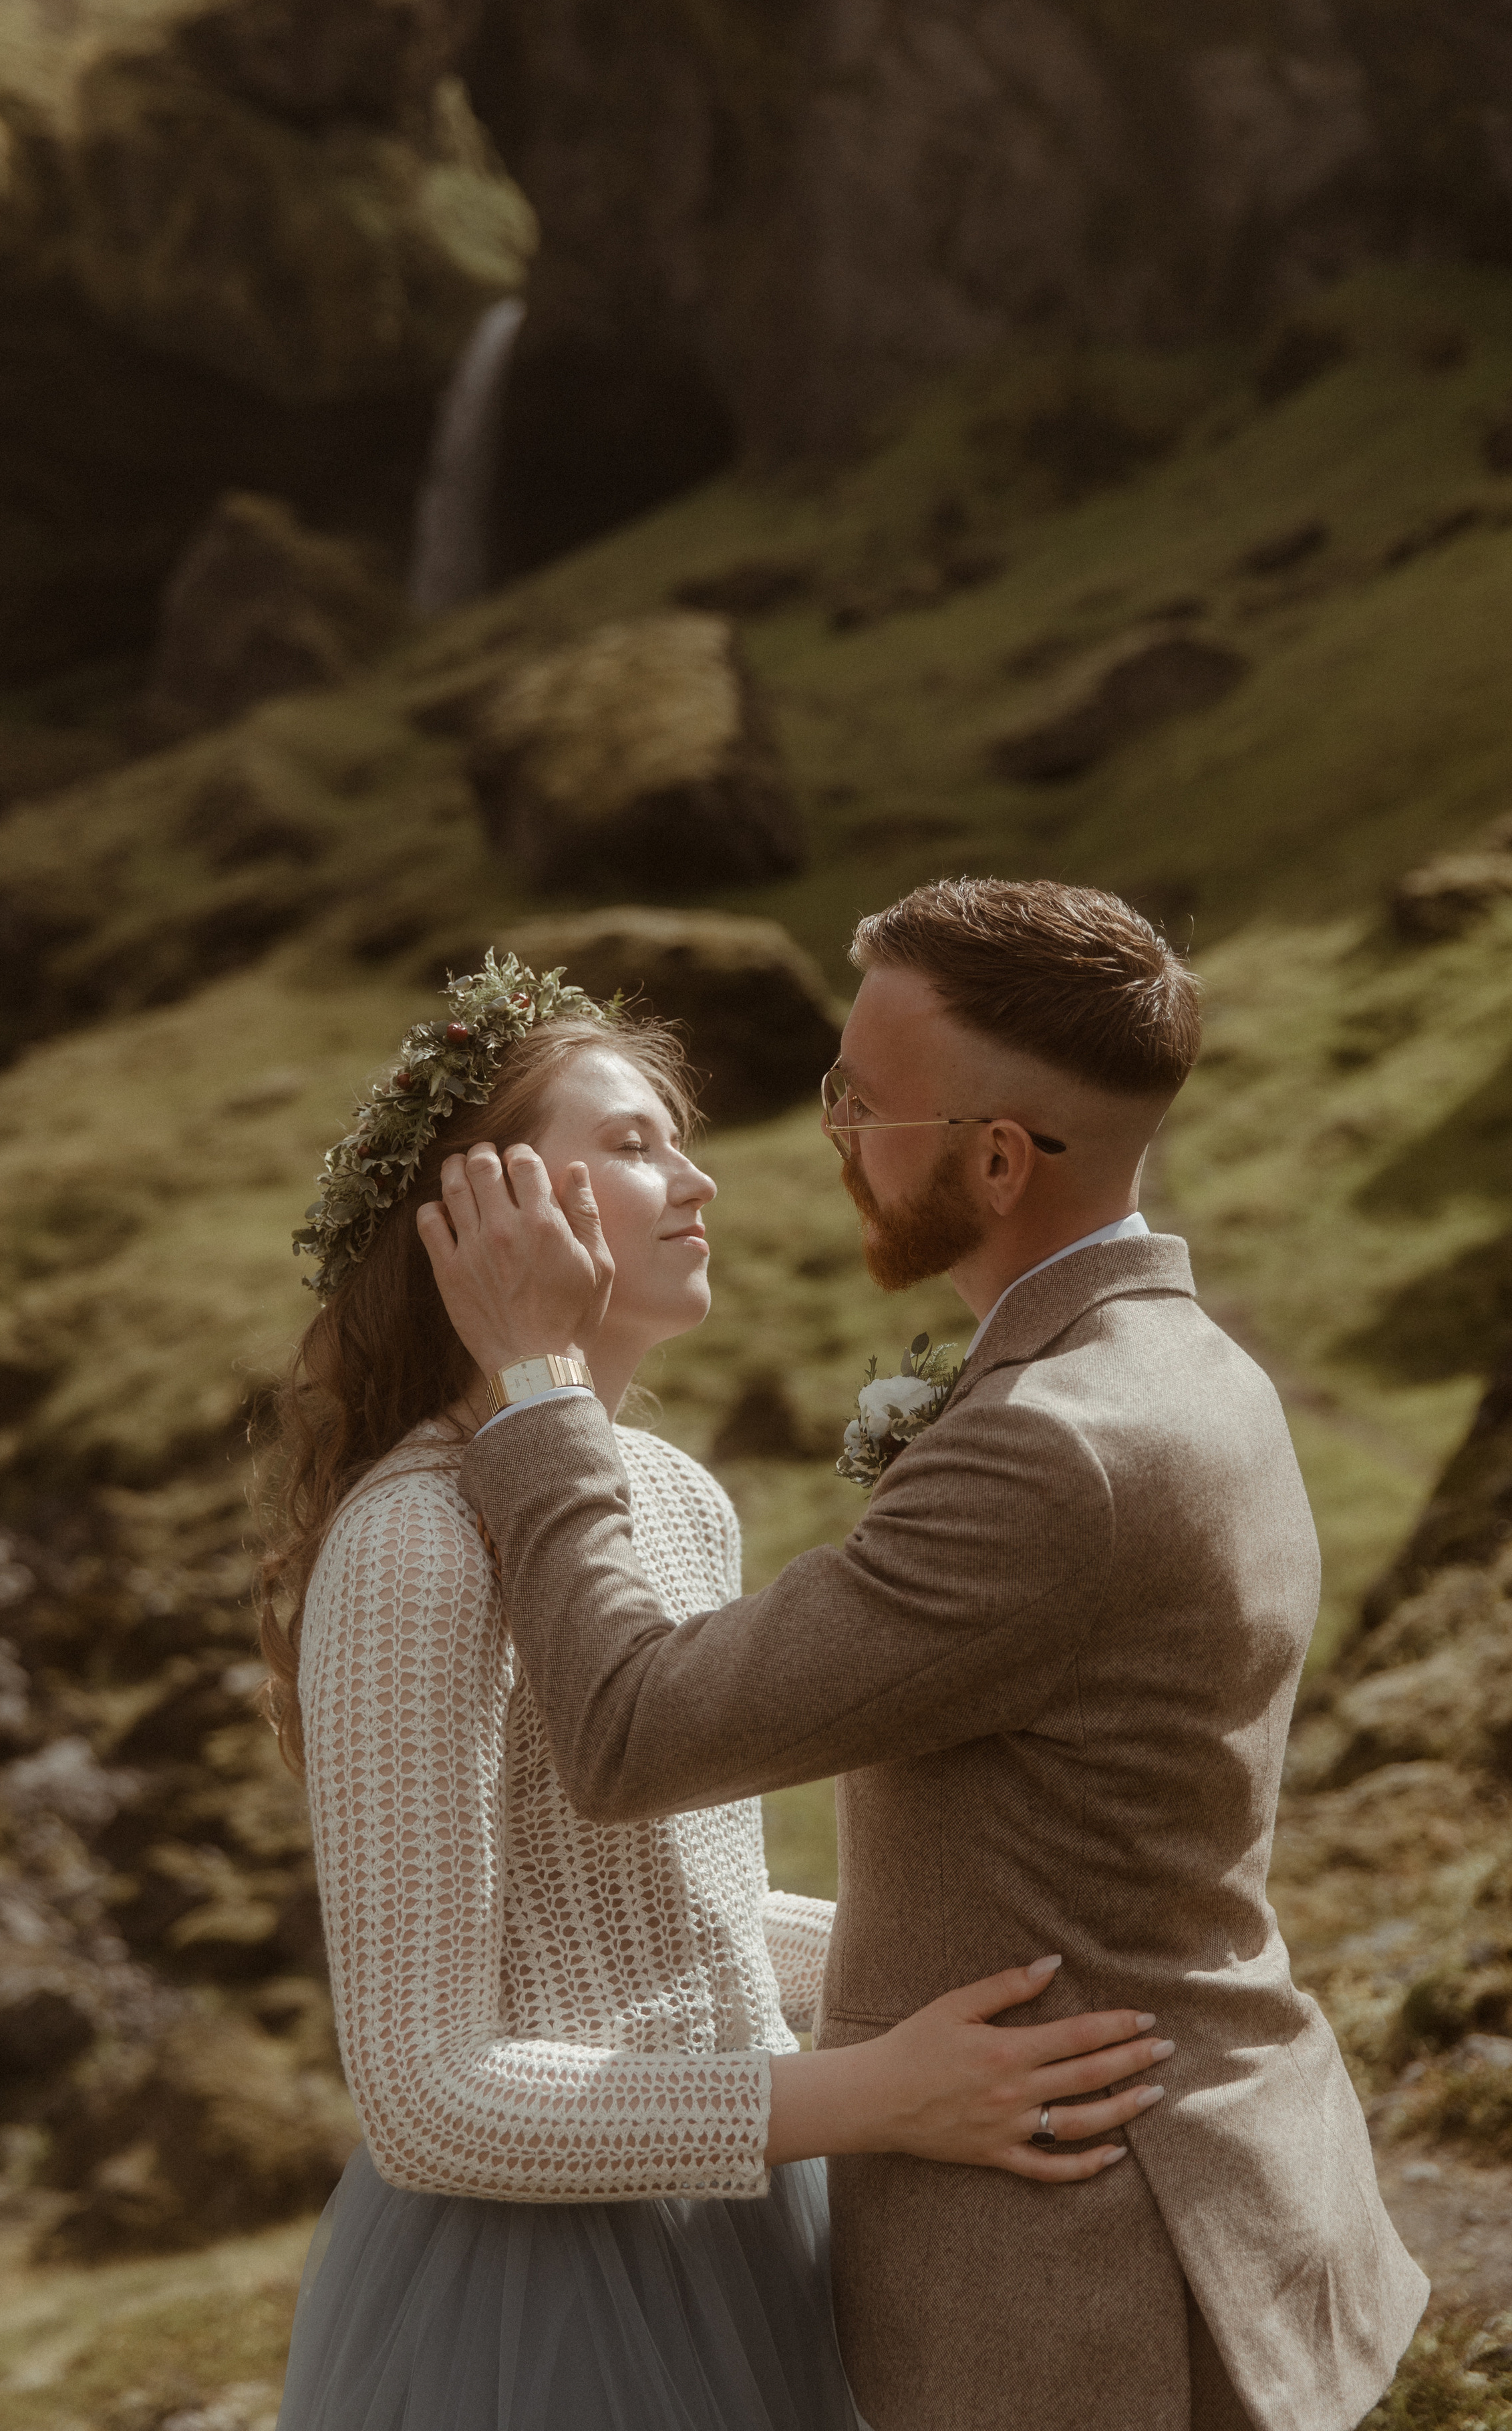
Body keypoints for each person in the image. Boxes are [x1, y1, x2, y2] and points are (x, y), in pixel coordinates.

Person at [420, 883, 1430, 2431]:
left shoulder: (1050, 1447)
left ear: (995, 1160)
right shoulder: (1187, 1366)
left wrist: (535, 1385)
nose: (832, 1136)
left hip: (1080, 2280)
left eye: (861, 1104)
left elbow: (626, 1736)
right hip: (1231, 2171)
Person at [260, 950, 1173, 2431]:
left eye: (678, 1141)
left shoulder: (677, 1498)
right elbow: (427, 2101)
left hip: (741, 2228)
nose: (698, 1182)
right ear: (485, 1210)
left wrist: (1016, 1966)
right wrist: (880, 2096)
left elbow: (688, 1919)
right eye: (633, 1146)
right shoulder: (409, 1545)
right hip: (528, 2307)